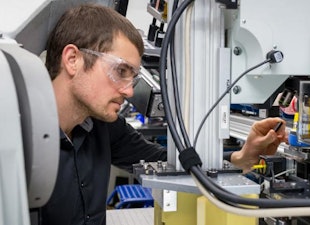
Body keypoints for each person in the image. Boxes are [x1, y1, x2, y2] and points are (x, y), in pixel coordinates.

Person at [42, 3, 287, 225]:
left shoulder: (103, 126)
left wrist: (242, 156)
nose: (128, 91)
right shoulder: (17, 140)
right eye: (120, 70)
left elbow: (167, 162)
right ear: (73, 59)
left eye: (133, 77)